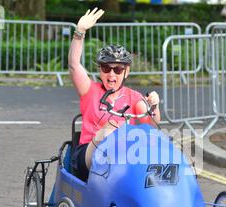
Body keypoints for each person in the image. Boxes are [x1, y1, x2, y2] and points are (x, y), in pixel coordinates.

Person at [68, 8, 161, 182]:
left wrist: (154, 106)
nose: (112, 75)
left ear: (126, 72)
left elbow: (153, 127)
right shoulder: (90, 90)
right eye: (106, 68)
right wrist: (79, 32)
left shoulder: (134, 97)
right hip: (88, 155)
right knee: (109, 130)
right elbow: (74, 65)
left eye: (118, 70)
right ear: (100, 71)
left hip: (126, 160)